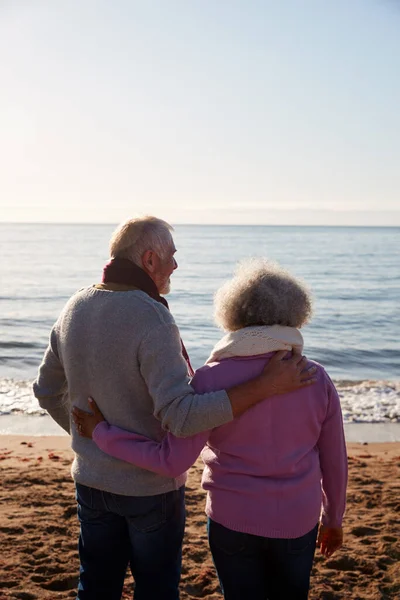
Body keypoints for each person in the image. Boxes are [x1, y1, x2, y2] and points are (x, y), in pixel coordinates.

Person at [33, 217, 317, 600]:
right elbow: (182, 418)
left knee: (96, 587)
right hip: (150, 489)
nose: (176, 266)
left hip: (91, 479)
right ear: (150, 259)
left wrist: (90, 436)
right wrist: (264, 386)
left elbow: (47, 390)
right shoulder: (152, 316)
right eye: (172, 256)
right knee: (156, 591)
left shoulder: (75, 306)